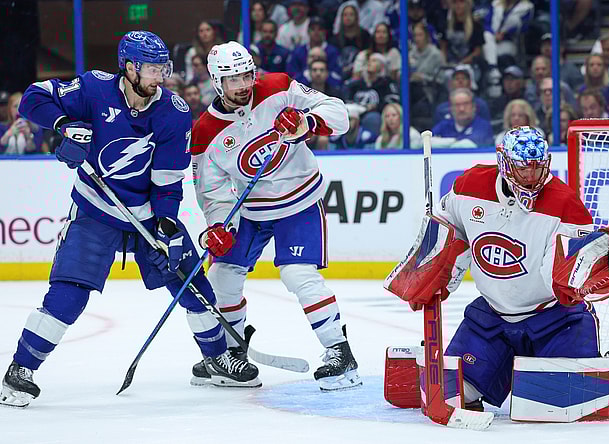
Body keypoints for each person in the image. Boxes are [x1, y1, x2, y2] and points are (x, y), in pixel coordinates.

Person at [0, 31, 260, 408]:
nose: (160, 77)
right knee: (68, 295)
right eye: (152, 69)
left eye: (163, 68)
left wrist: (167, 227)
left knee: (194, 285)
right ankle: (20, 370)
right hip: (95, 210)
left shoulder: (174, 111)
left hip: (149, 215)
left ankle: (216, 359)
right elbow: (32, 99)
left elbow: (167, 182)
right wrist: (63, 126)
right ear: (130, 67)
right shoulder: (93, 89)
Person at [190, 41, 361, 391]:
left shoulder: (278, 87)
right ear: (216, 81)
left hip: (299, 200)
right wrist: (219, 226)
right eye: (233, 79)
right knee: (222, 275)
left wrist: (307, 122)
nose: (243, 85)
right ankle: (231, 353)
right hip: (250, 210)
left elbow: (339, 113)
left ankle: (340, 352)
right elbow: (213, 192)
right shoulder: (205, 132)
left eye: (246, 75)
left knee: (298, 274)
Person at [427, 127, 601, 411]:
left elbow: (559, 276)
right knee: (455, 395)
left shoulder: (567, 205)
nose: (531, 176)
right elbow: (449, 228)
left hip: (555, 321)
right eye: (523, 168)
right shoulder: (470, 185)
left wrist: (578, 274)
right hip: (492, 317)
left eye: (537, 167)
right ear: (505, 163)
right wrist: (434, 269)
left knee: (558, 405)